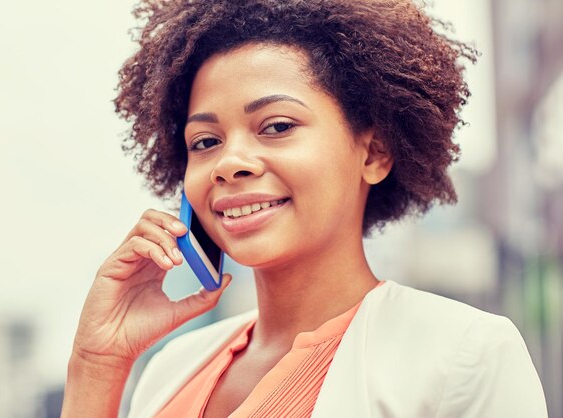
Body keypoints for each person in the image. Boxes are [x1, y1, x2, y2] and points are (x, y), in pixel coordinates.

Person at [61, 0, 548, 417]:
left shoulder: (466, 353)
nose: (228, 164)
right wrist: (96, 364)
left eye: (276, 126)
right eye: (205, 141)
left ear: (374, 152)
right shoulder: (171, 368)